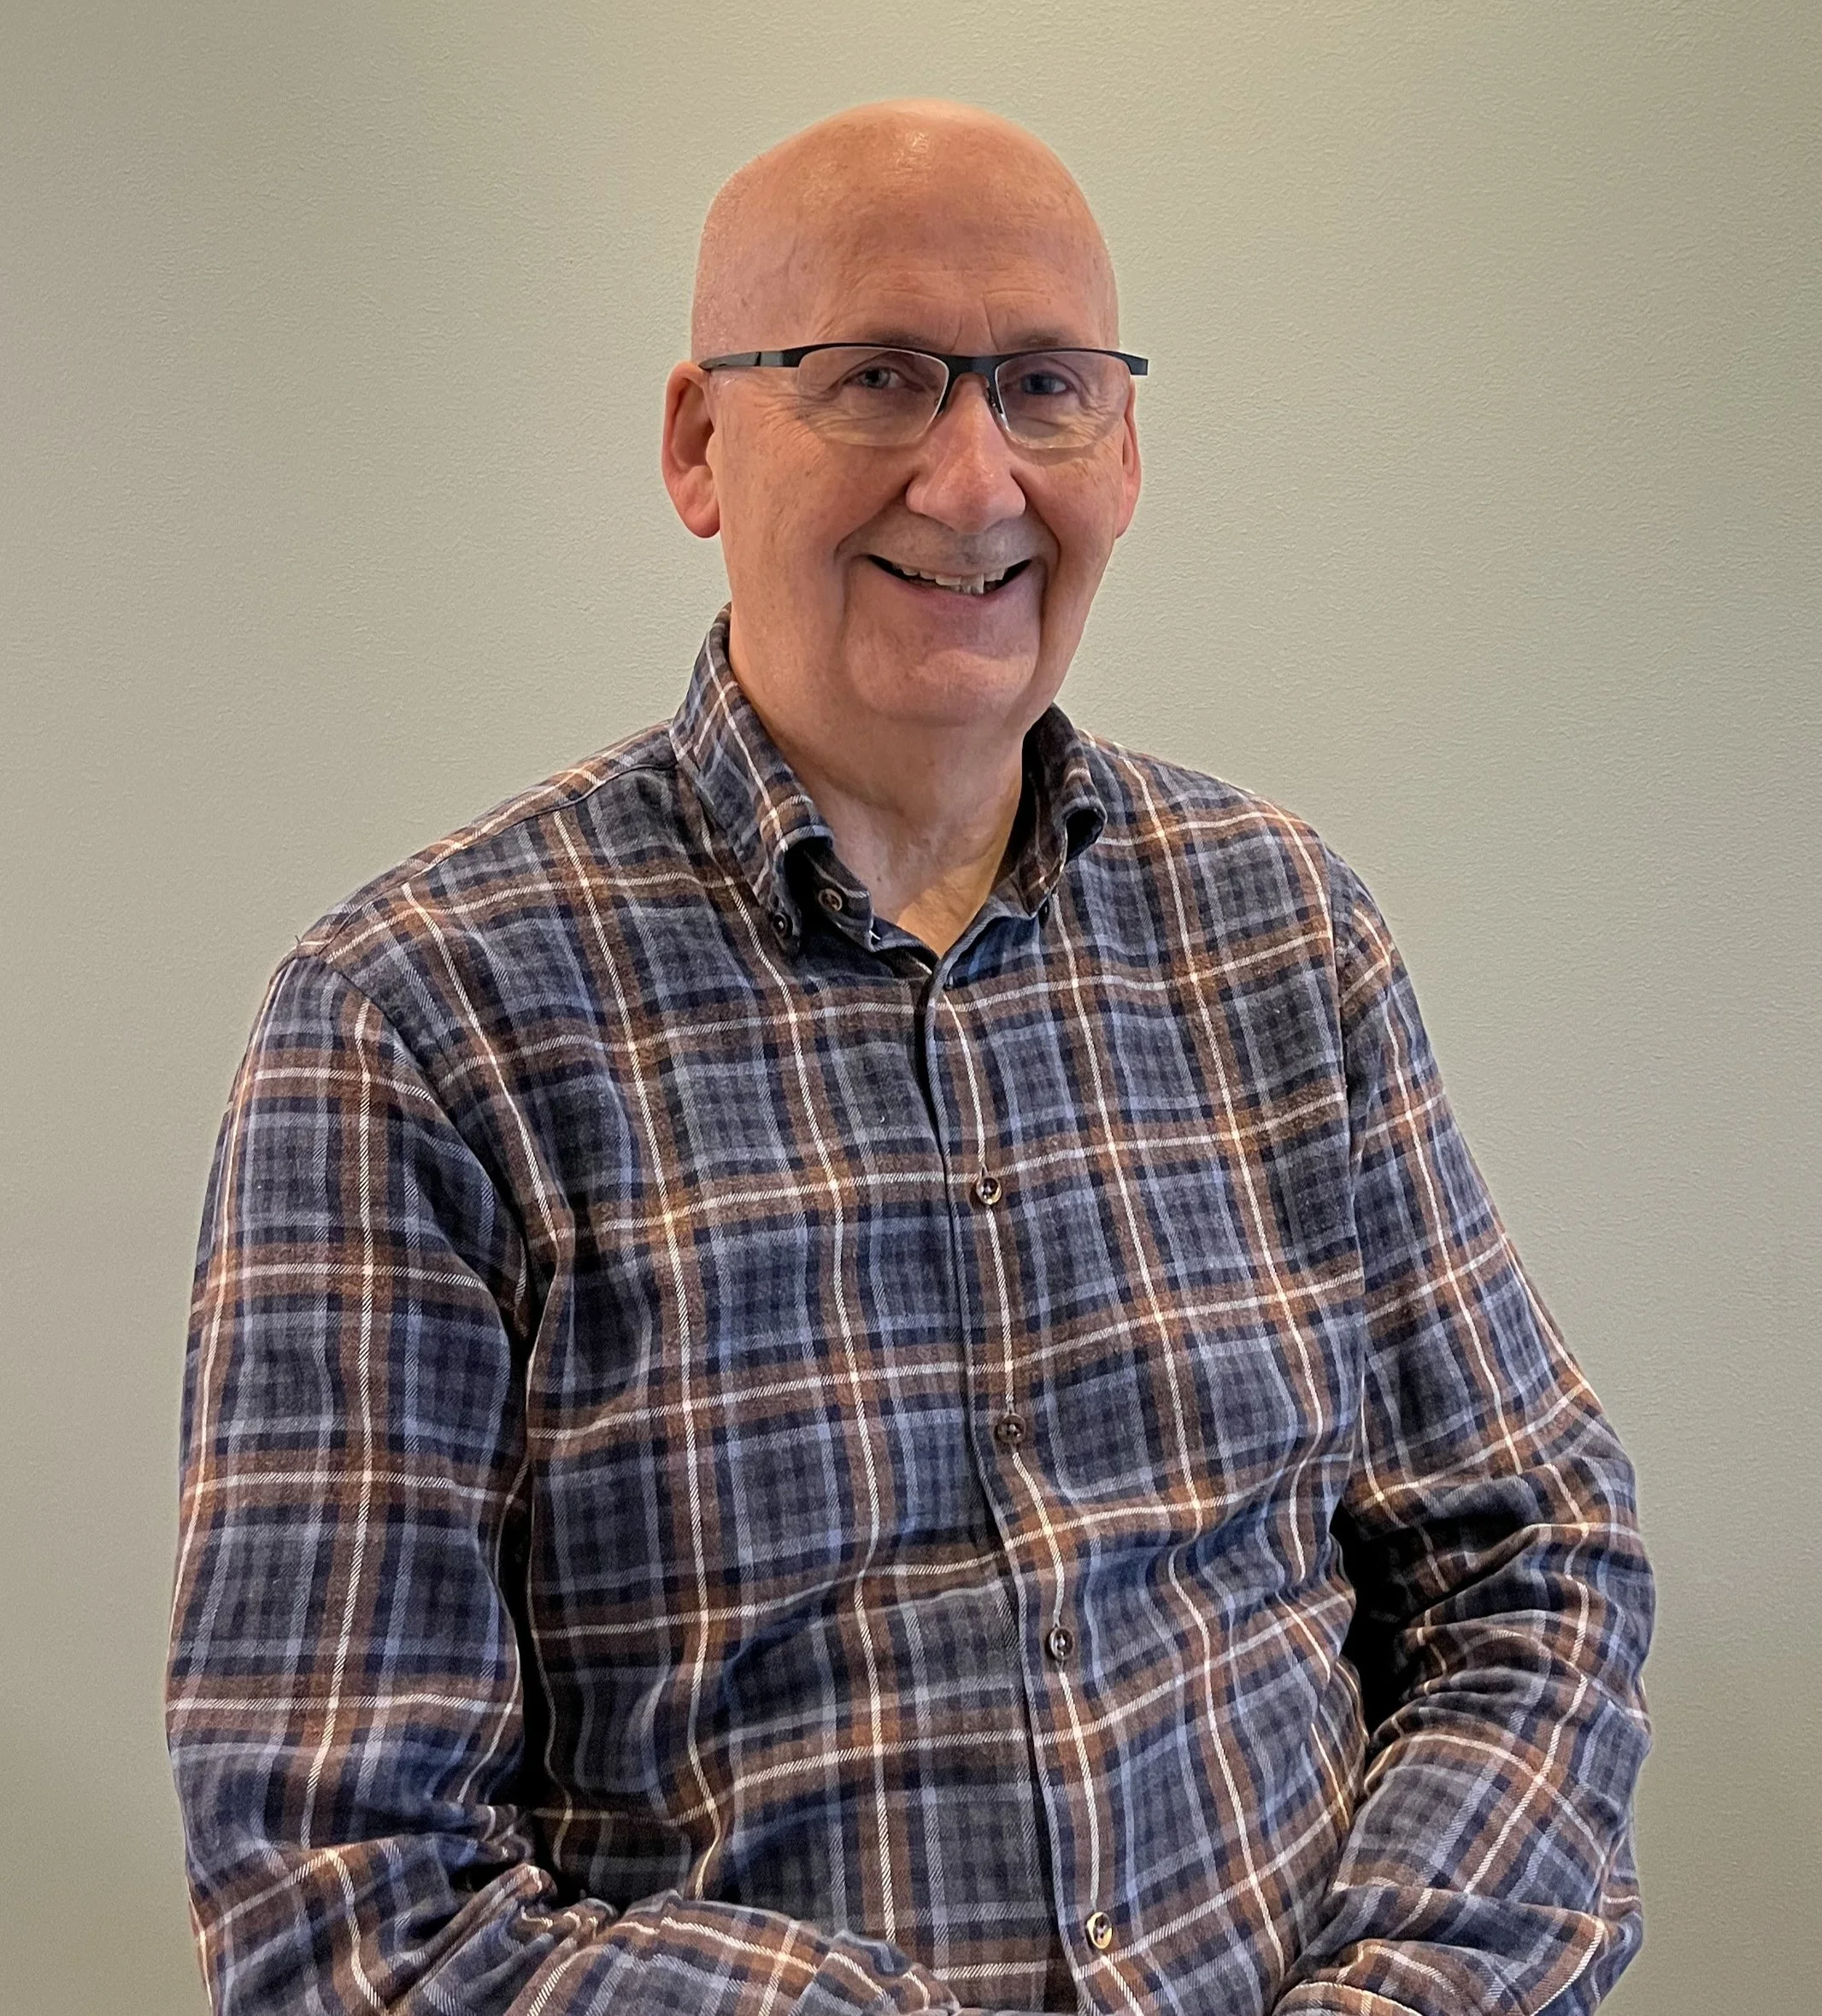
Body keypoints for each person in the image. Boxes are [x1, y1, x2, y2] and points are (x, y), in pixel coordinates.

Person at [168, 100, 1653, 2016]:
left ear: (1121, 448)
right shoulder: (416, 1023)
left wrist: (1401, 1990)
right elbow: (339, 1901)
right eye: (875, 380)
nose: (970, 482)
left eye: (1040, 388)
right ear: (702, 444)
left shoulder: (1282, 932)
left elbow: (1529, 1563)